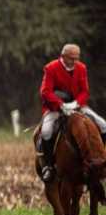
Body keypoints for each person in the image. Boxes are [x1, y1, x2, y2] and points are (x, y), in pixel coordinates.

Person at [39, 43, 106, 182]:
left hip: (78, 106)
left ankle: (100, 161)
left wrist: (76, 104)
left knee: (103, 125)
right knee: (46, 131)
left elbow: (85, 91)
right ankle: (49, 166)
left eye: (77, 58)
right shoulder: (50, 68)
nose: (75, 62)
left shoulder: (81, 68)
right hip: (55, 108)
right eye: (71, 58)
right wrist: (61, 105)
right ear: (63, 56)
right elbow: (45, 91)